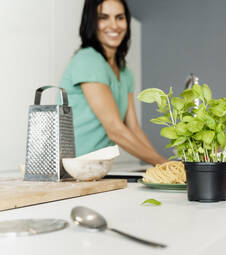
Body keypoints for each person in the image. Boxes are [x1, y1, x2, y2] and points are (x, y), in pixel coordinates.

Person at [60, 0, 167, 165]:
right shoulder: (87, 61)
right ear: (91, 22)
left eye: (119, 17)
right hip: (72, 170)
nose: (114, 25)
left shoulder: (125, 72)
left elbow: (134, 129)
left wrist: (164, 166)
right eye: (104, 17)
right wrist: (163, 164)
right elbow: (115, 130)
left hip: (98, 168)